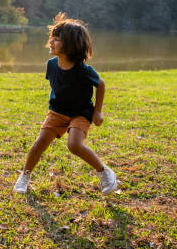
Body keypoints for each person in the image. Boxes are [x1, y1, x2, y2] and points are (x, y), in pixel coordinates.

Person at [13, 12, 118, 195]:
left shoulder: (83, 70)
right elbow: (57, 85)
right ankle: (25, 176)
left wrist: (97, 112)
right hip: (57, 111)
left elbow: (100, 84)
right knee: (39, 144)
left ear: (71, 45)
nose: (51, 42)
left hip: (81, 112)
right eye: (52, 37)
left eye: (57, 39)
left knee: (74, 145)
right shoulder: (51, 65)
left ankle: (105, 172)